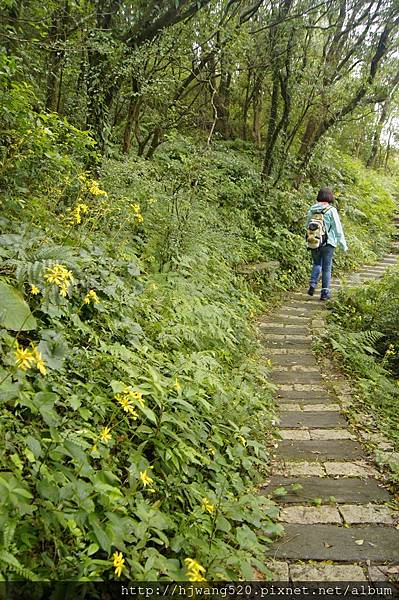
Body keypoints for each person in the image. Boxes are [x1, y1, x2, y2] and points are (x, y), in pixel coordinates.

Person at [306, 187, 347, 300]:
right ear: (330, 197)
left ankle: (313, 284)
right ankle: (324, 293)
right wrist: (343, 244)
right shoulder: (331, 210)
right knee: (327, 268)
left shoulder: (312, 209)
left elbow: (307, 225)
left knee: (317, 264)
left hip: (315, 241)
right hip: (329, 243)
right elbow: (338, 229)